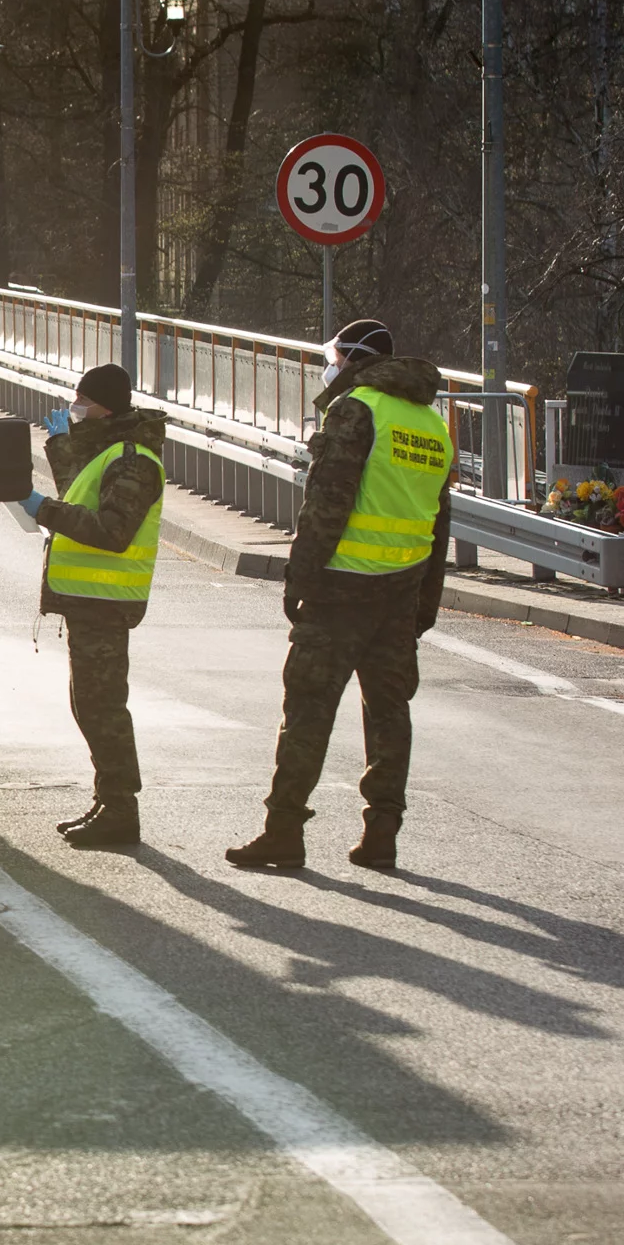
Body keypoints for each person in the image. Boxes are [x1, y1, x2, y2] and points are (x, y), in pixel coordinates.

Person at [228, 320, 454, 872]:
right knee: (389, 714)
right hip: (400, 593)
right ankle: (382, 833)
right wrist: (426, 600)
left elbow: (327, 503)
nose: (328, 366)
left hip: (342, 588)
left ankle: (283, 831)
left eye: (332, 356)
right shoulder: (432, 423)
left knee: (307, 710)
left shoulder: (357, 409)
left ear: (354, 359)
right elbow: (440, 522)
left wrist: (299, 579)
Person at [21, 361, 165, 849]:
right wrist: (61, 444)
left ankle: (121, 807)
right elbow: (80, 491)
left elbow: (110, 530)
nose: (74, 408)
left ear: (103, 406)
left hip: (105, 604)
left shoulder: (133, 460)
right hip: (89, 604)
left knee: (103, 708)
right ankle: (109, 801)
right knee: (90, 705)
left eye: (81, 401)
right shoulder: (110, 452)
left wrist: (41, 508)